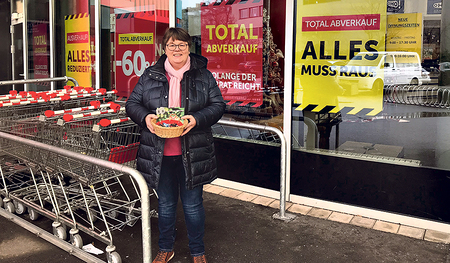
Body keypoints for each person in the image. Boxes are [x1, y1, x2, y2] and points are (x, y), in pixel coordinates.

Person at [125, 27, 225, 263]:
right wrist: (146, 117)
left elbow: (218, 105)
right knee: (166, 204)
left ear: (188, 47)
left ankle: (198, 252)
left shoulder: (203, 75)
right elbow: (132, 104)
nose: (176, 49)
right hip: (160, 153)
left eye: (181, 45)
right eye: (172, 45)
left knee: (192, 206)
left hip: (193, 152)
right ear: (165, 48)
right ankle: (165, 248)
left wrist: (196, 118)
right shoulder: (150, 75)